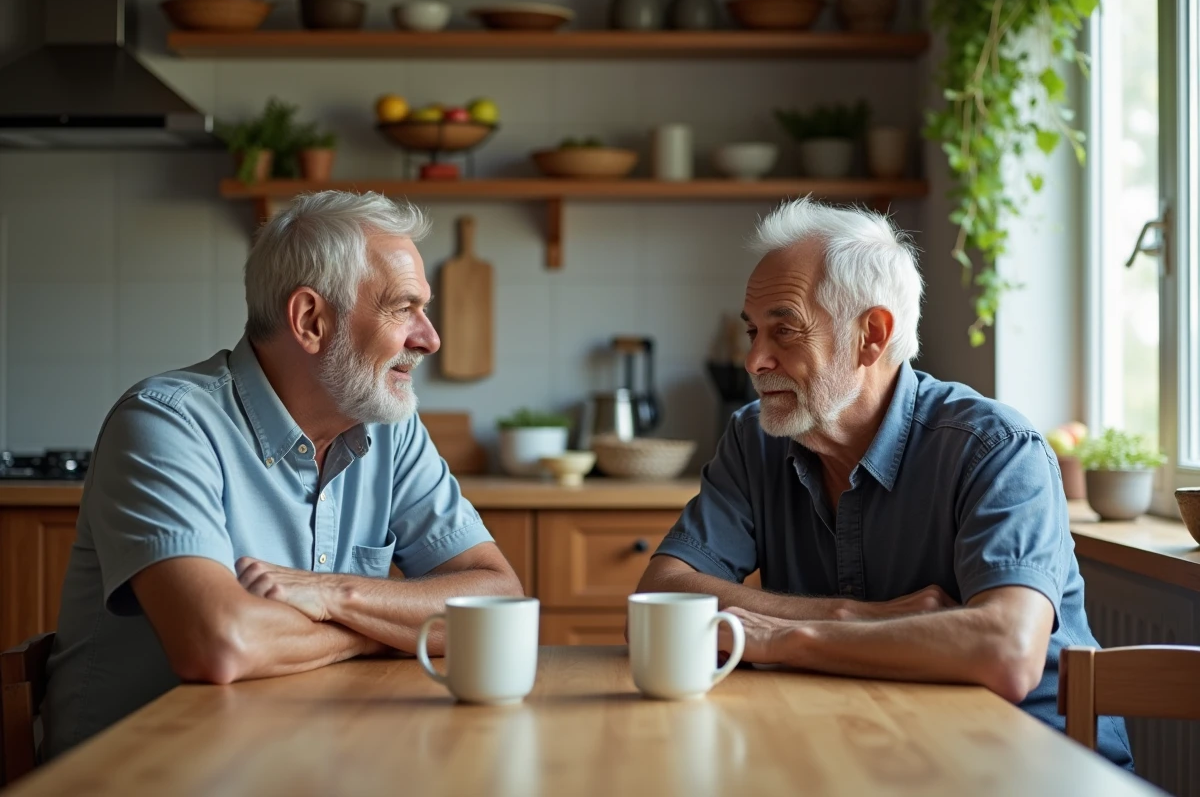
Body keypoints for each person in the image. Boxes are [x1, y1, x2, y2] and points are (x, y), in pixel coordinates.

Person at [635, 197, 1133, 768]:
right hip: (874, 750)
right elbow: (661, 597)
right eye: (753, 332)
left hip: (1031, 767)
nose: (753, 360)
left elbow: (1007, 652)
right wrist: (872, 617)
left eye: (784, 330)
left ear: (871, 335)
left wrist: (780, 636)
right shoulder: (755, 439)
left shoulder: (995, 449)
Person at [43, 191, 522, 757]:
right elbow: (218, 643)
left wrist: (333, 594)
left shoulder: (389, 428)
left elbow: (499, 602)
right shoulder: (166, 423)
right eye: (403, 308)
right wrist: (381, 629)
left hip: (296, 759)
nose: (429, 338)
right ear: (310, 320)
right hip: (142, 773)